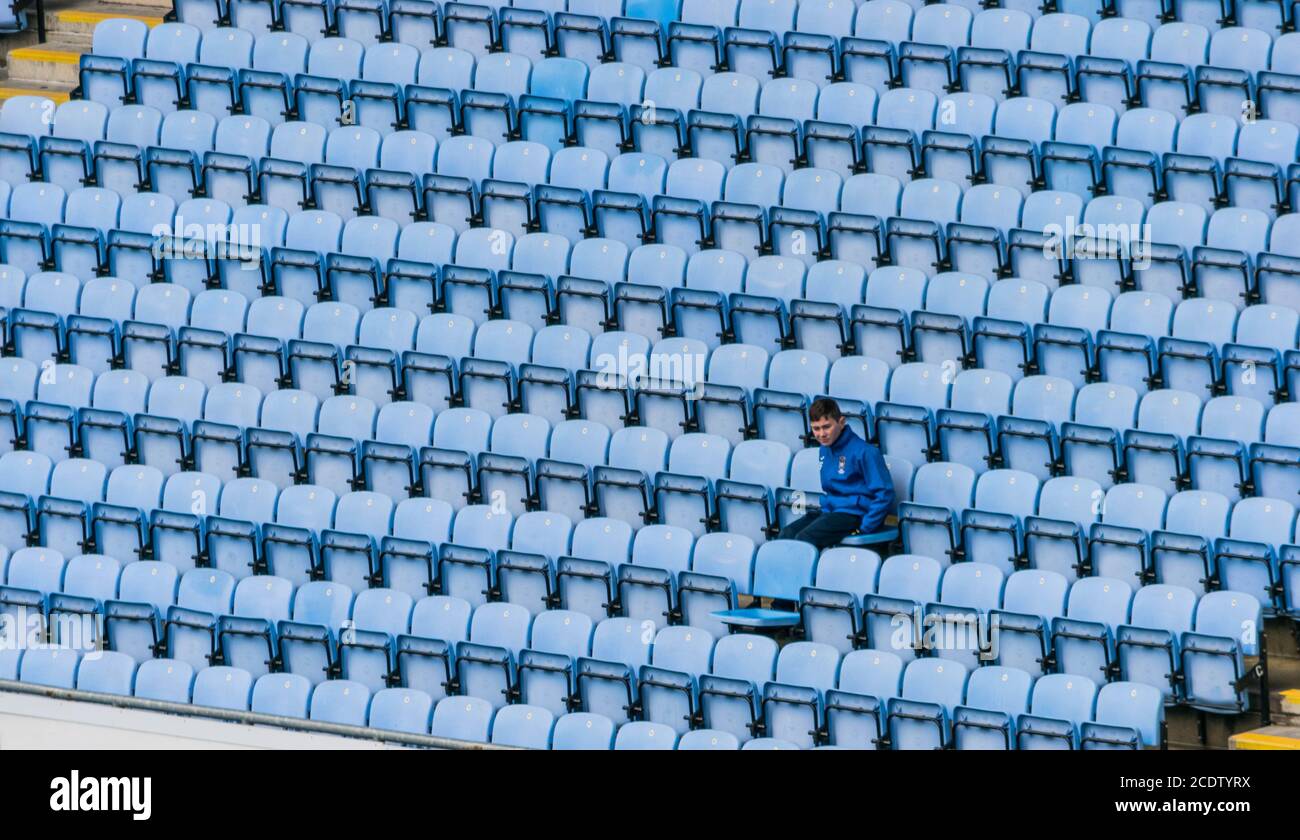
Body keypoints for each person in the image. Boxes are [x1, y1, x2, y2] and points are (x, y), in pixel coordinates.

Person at [779, 397, 895, 549]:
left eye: (826, 427)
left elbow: (885, 493)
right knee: (786, 534)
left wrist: (865, 527)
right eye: (816, 428)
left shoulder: (866, 452)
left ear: (841, 422)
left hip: (854, 514)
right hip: (831, 511)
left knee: (805, 539)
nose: (821, 434)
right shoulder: (824, 449)